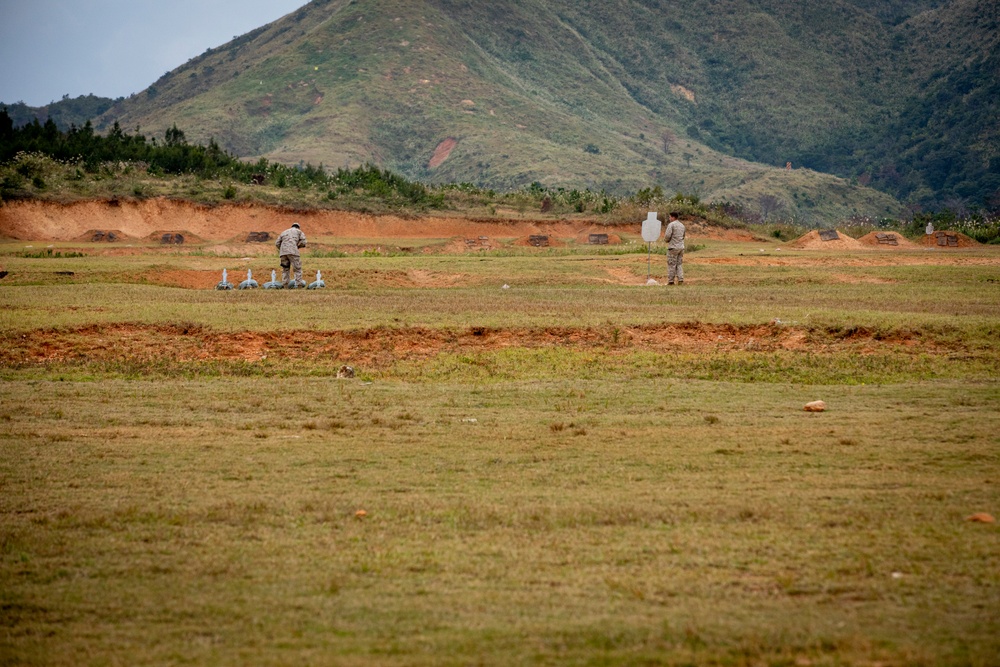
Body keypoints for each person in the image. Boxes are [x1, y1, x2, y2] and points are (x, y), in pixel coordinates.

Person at [275, 222, 307, 287]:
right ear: (298, 227)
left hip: (283, 253)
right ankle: (298, 285)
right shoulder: (299, 231)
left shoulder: (284, 232)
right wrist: (297, 246)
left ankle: (285, 285)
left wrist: (282, 249)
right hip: (293, 252)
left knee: (285, 269)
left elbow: (277, 243)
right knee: (297, 269)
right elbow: (303, 242)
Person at [662, 211, 685, 285]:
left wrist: (666, 241)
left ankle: (671, 281)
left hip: (673, 247)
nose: (669, 218)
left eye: (670, 217)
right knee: (679, 264)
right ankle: (680, 279)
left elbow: (667, 236)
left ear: (673, 217)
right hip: (681, 247)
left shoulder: (671, 225)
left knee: (671, 264)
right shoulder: (682, 225)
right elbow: (683, 236)